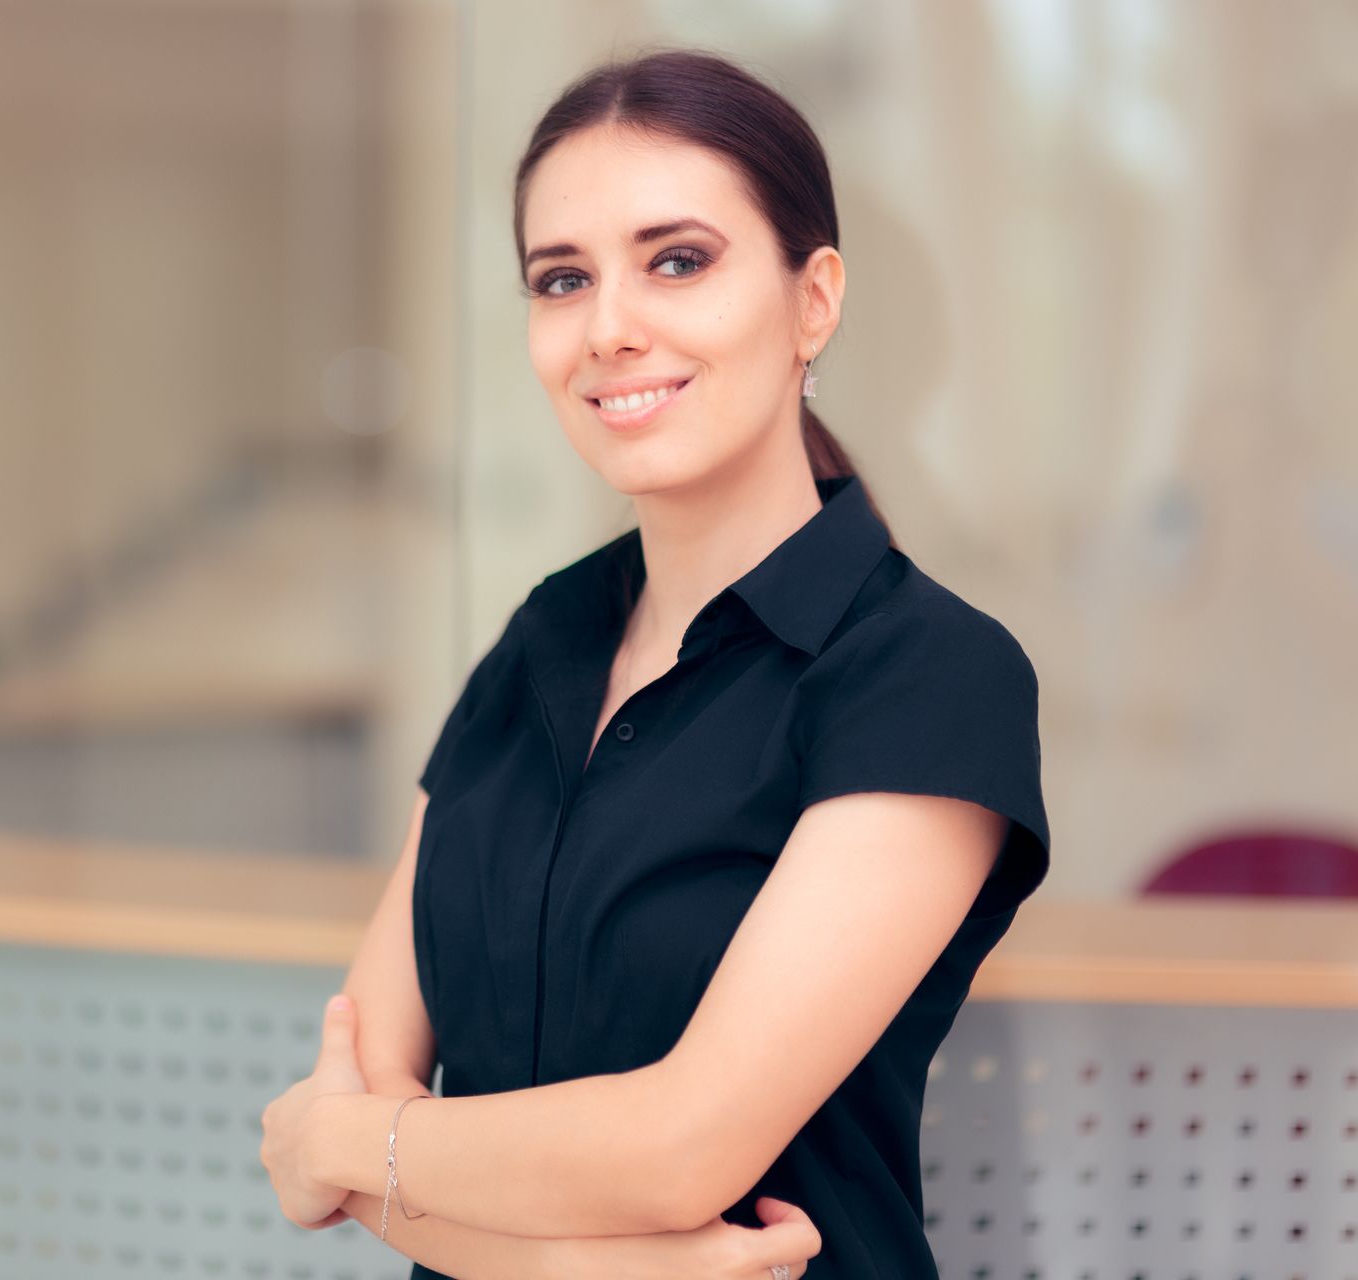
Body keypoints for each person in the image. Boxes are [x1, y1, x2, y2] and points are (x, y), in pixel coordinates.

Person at [260, 46, 1049, 1280]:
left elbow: (679, 1144)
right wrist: (595, 1266)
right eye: (561, 279)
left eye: (677, 259)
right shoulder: (537, 645)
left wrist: (352, 1144)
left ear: (814, 299)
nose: (611, 328)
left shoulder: (928, 676)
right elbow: (365, 1070)